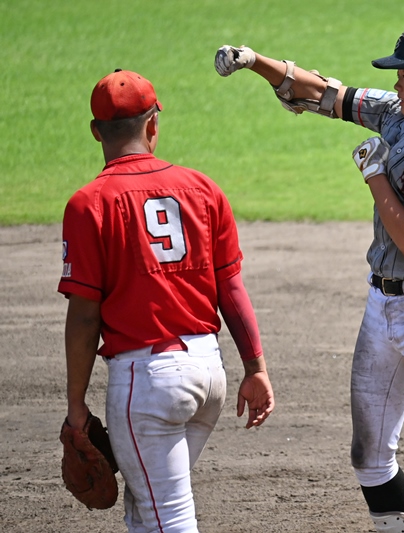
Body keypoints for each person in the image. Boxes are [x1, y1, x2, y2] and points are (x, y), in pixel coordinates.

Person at [215, 25, 404, 533]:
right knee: (368, 455)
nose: (397, 86)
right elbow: (326, 93)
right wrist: (254, 60)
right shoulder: (396, 116)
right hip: (381, 303)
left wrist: (374, 175)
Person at [59, 69, 275, 532]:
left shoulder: (89, 204)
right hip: (208, 377)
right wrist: (255, 368)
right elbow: (231, 289)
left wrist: (76, 404)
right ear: (153, 126)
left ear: (96, 132)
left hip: (149, 385)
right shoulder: (203, 189)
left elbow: (83, 316)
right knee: (147, 507)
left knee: (168, 519)